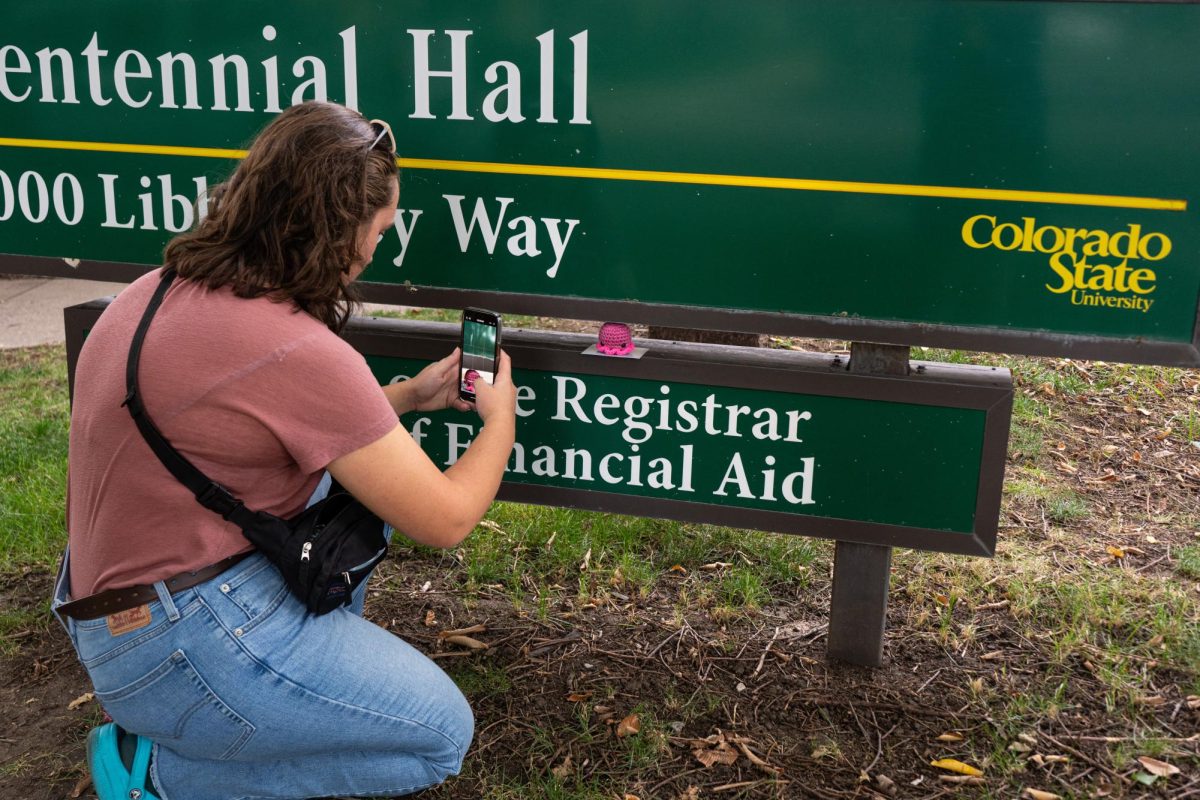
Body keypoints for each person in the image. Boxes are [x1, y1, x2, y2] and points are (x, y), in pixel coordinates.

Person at [51, 101, 517, 799]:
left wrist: (411, 397)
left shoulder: (158, 291)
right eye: (378, 229)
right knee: (438, 737)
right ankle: (157, 772)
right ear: (334, 231)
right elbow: (445, 519)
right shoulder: (294, 347)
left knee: (353, 481)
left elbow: (264, 427)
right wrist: (499, 421)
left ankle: (244, 705)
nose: (375, 249)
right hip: (178, 642)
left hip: (113, 616)